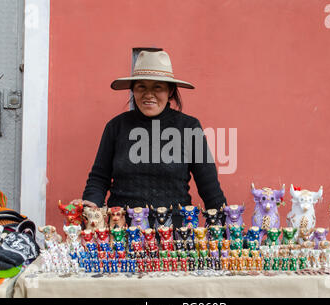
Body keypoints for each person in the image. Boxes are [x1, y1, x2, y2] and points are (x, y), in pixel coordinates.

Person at [72, 50, 226, 227]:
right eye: (141, 87)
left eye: (158, 87)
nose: (149, 94)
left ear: (170, 90)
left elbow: (209, 186)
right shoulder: (116, 127)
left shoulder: (189, 127)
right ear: (133, 90)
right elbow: (99, 178)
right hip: (122, 230)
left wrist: (225, 227)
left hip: (176, 235)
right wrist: (91, 203)